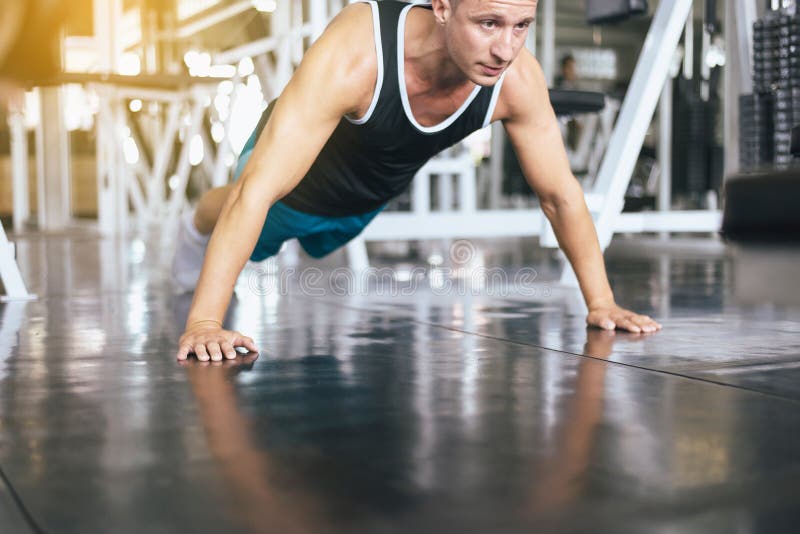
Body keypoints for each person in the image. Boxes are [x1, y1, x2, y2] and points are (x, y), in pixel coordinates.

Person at [174, 0, 662, 362]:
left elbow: (560, 196)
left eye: (521, 27)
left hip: (365, 202)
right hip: (292, 189)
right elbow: (257, 190)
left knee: (327, 231)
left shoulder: (516, 79)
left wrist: (601, 301)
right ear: (443, 6)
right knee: (247, 215)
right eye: (489, 23)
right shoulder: (359, 52)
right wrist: (204, 323)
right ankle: (194, 227)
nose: (505, 48)